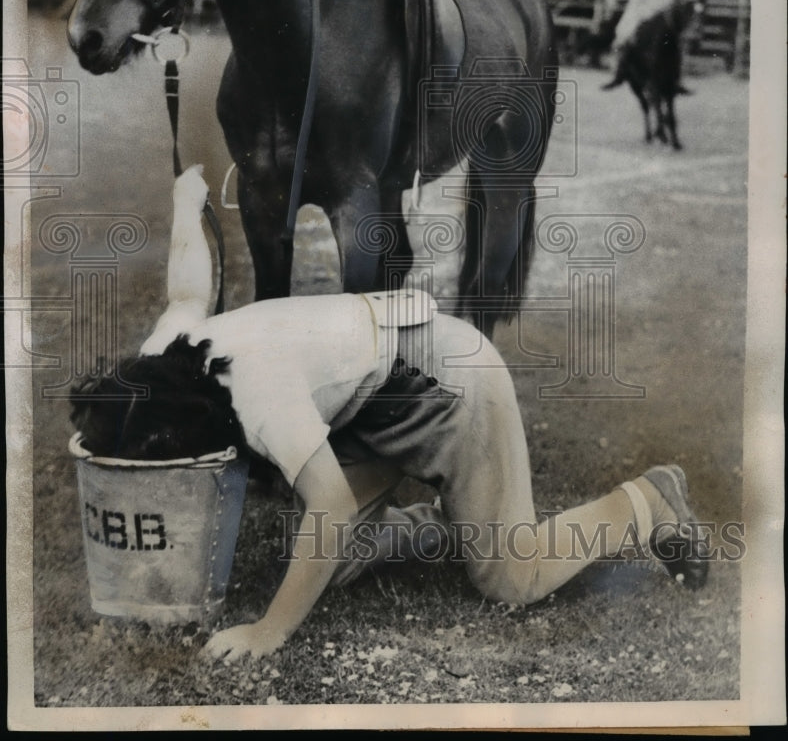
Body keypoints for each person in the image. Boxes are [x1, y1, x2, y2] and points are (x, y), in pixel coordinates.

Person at [71, 166, 709, 662]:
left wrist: (270, 629)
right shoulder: (165, 357)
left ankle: (646, 502)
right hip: (373, 394)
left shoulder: (258, 395)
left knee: (512, 578)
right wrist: (187, 199)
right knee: (336, 562)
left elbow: (330, 505)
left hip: (450, 386)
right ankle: (454, 520)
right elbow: (186, 288)